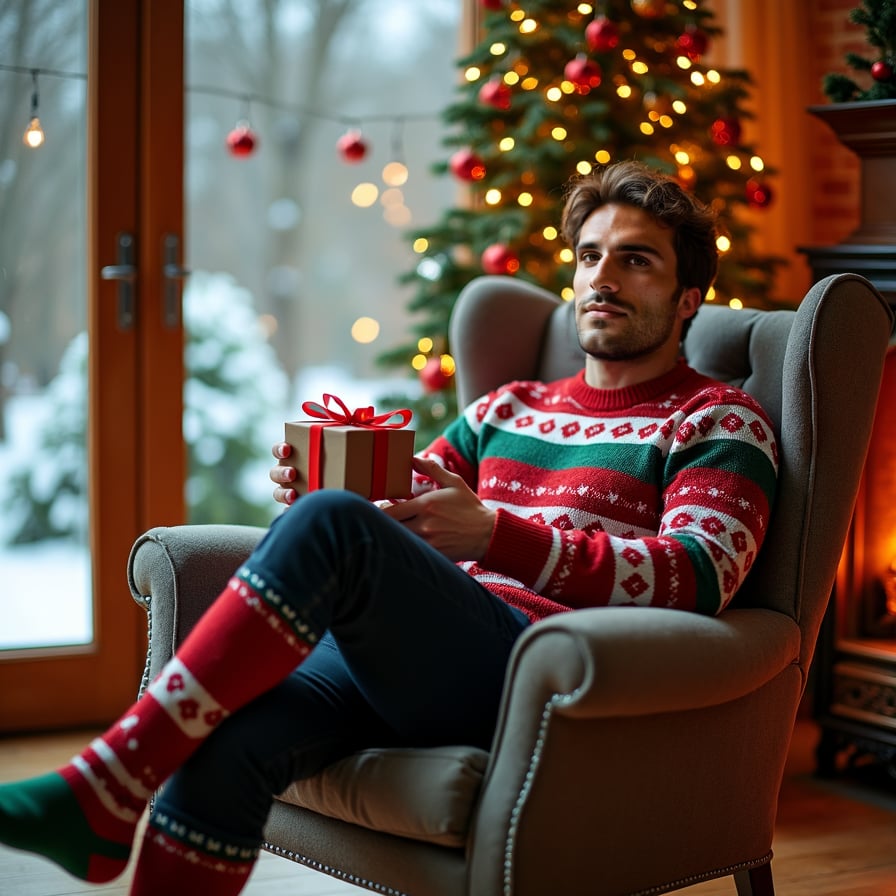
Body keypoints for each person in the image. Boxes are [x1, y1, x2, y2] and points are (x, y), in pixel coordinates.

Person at [0, 160, 778, 895]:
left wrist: (492, 536)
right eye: (590, 255)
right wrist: (324, 487)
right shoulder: (506, 408)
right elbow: (392, 517)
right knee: (223, 745)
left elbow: (697, 576)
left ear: (688, 298)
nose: (603, 277)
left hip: (536, 673)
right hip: (415, 655)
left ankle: (111, 777)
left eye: (636, 260)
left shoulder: (717, 418)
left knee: (333, 524)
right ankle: (114, 798)